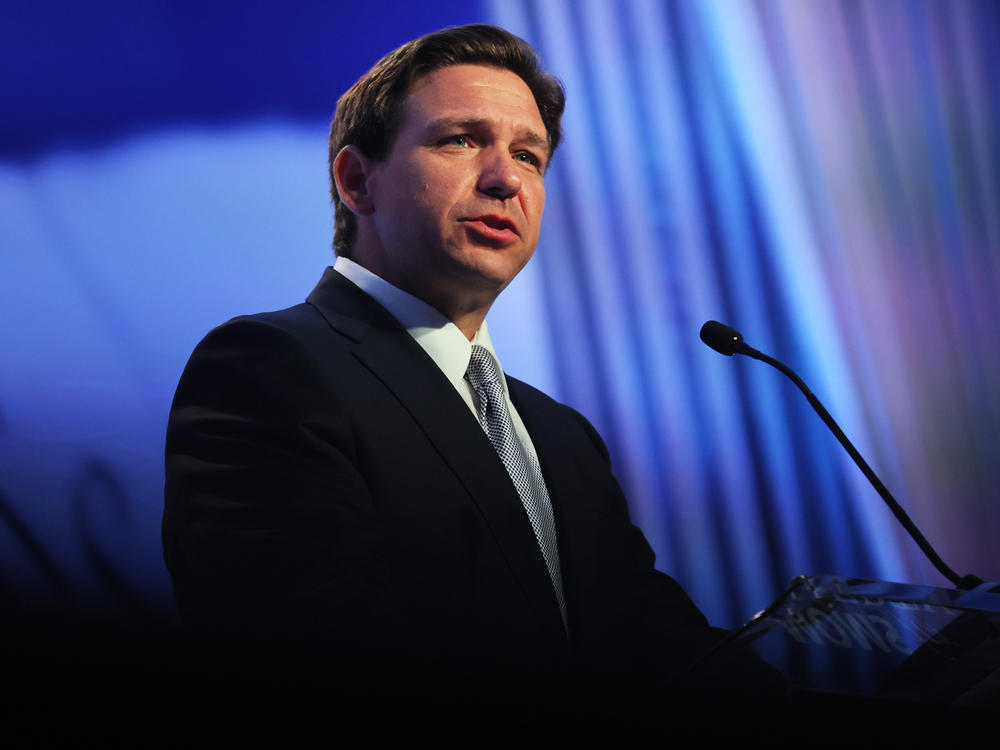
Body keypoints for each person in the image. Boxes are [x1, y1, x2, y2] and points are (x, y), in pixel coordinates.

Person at [162, 24, 779, 733]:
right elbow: (314, 656)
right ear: (357, 180)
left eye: (529, 155)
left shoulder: (560, 436)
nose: (506, 178)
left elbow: (662, 649)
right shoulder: (268, 369)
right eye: (460, 139)